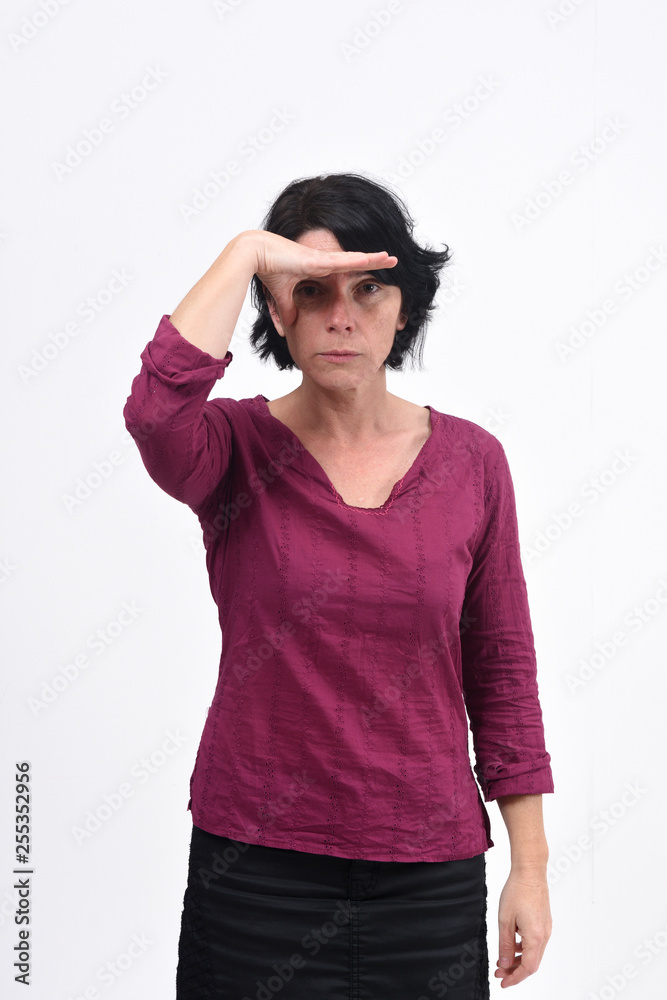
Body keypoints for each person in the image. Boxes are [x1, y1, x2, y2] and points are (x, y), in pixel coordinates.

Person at [123, 172, 554, 999]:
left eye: (368, 288)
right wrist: (245, 253)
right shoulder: (231, 449)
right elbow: (153, 415)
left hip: (427, 879)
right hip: (255, 872)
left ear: (405, 307)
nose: (341, 316)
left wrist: (528, 868)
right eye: (311, 290)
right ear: (278, 310)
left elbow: (501, 669)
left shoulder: (473, 463)